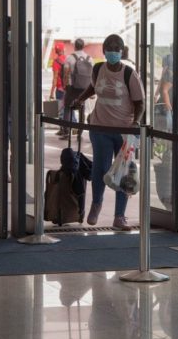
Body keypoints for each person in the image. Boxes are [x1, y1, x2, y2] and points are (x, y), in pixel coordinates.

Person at [72, 34, 145, 231]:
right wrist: (79, 99)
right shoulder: (98, 69)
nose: (113, 51)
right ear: (104, 51)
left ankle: (119, 216)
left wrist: (135, 122)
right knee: (100, 168)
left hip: (123, 131)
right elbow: (92, 88)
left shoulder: (129, 74)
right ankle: (96, 204)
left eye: (116, 48)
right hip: (100, 127)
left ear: (122, 51)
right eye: (109, 48)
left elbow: (140, 103)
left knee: (123, 173)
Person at [61, 38, 90, 138]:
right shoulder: (89, 58)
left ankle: (66, 131)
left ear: (75, 46)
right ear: (83, 46)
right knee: (82, 109)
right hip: (84, 88)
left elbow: (65, 73)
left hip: (72, 87)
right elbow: (92, 76)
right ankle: (79, 132)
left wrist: (65, 86)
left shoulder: (70, 58)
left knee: (67, 108)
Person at [49, 43, 67, 136]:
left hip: (60, 89)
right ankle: (69, 128)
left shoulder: (56, 62)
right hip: (68, 89)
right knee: (67, 108)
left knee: (60, 110)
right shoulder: (68, 59)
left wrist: (51, 92)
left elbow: (55, 78)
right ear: (63, 50)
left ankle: (63, 129)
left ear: (56, 51)